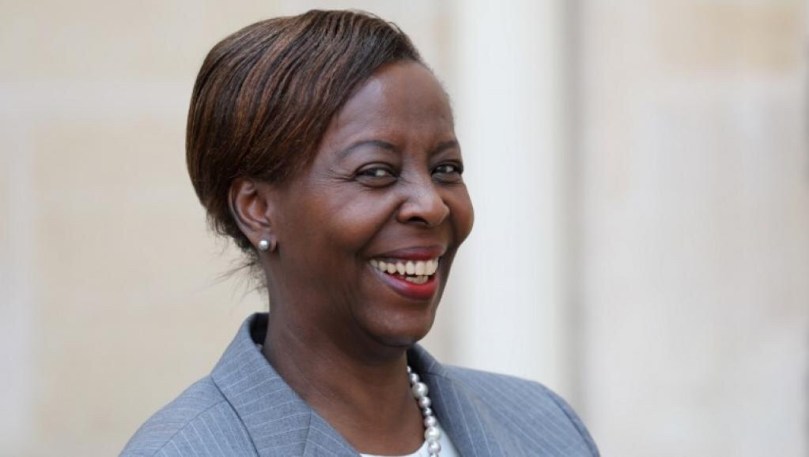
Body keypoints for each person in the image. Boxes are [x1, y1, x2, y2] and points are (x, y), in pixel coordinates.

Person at [122, 9, 599, 457]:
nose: (432, 204)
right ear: (258, 209)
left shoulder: (543, 427)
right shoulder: (188, 449)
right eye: (376, 172)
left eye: (446, 169)